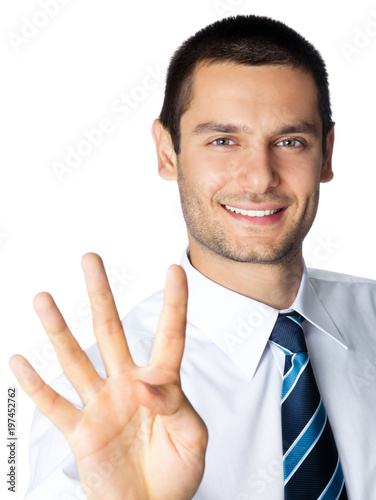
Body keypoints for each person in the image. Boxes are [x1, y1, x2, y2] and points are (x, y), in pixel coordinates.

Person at [9, 14, 376, 500]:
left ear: (326, 154)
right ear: (167, 152)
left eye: (290, 141)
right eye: (223, 140)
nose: (260, 177)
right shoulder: (100, 402)